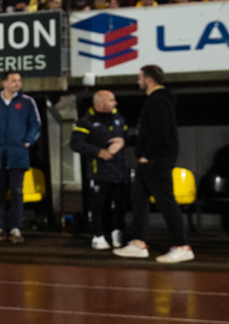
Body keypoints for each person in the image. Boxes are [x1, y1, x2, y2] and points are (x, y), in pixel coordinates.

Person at [113, 65, 193, 263]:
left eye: (139, 77)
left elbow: (161, 131)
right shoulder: (155, 101)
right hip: (149, 160)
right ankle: (139, 244)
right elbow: (146, 133)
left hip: (156, 160)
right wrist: (126, 141)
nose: (138, 81)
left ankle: (182, 246)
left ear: (148, 79)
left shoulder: (157, 100)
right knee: (138, 200)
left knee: (166, 202)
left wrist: (147, 155)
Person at [0, 72, 41, 244]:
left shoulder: (27, 102)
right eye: (14, 80)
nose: (18, 83)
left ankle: (15, 228)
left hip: (18, 155)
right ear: (4, 83)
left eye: (19, 80)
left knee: (17, 192)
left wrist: (28, 141)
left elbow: (36, 124)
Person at [70, 89, 128, 250]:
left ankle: (117, 233)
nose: (115, 103)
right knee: (97, 206)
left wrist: (123, 141)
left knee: (118, 205)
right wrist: (98, 152)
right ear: (100, 103)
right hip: (98, 172)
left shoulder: (119, 118)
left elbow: (126, 136)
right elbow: (75, 144)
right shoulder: (85, 121)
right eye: (111, 100)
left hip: (118, 172)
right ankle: (98, 235)